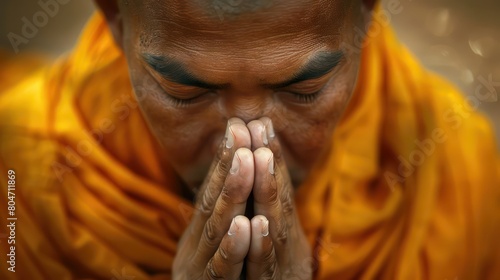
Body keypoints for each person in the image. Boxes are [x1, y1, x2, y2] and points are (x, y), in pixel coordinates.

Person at [0, 0, 499, 279]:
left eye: (304, 90)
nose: (245, 142)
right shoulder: (21, 177)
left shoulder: (454, 164)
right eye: (185, 90)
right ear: (114, 17)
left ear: (366, 13)